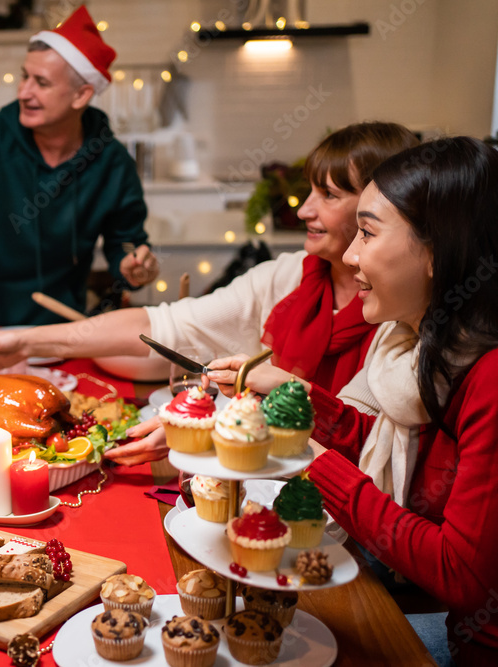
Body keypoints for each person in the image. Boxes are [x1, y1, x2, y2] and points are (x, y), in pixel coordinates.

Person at [0, 121, 420, 464]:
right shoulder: (288, 277)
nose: (303, 211)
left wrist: (212, 431)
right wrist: (26, 340)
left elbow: (361, 441)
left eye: (330, 195)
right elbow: (167, 325)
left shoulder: (403, 315)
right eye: (309, 191)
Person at [211, 136, 498, 666]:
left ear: (437, 250)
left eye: (366, 233)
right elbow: (396, 448)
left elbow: (460, 575)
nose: (349, 255)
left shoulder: (489, 380)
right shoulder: (424, 346)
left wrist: (311, 462)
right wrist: (298, 397)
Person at [0, 6, 159, 326]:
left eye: (41, 83)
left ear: (81, 94)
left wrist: (134, 266)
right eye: (24, 77)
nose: (24, 92)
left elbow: (126, 244)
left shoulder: (112, 163)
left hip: (63, 328)